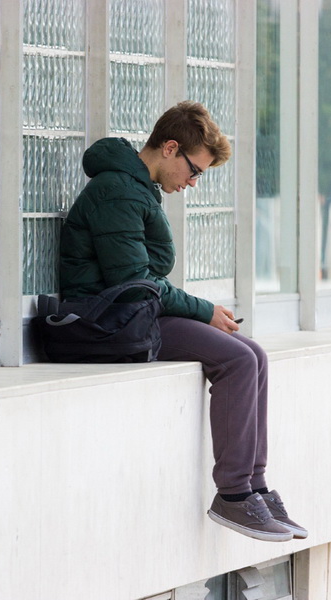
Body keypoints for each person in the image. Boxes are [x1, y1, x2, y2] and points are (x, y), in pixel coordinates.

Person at [59, 101, 307, 543]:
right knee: (237, 360)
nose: (192, 183)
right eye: (195, 171)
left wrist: (199, 311)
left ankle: (255, 487)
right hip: (108, 322)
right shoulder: (117, 192)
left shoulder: (135, 188)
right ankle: (233, 495)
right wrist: (202, 310)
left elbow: (142, 281)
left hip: (130, 313)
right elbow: (133, 283)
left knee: (254, 354)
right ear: (170, 148)